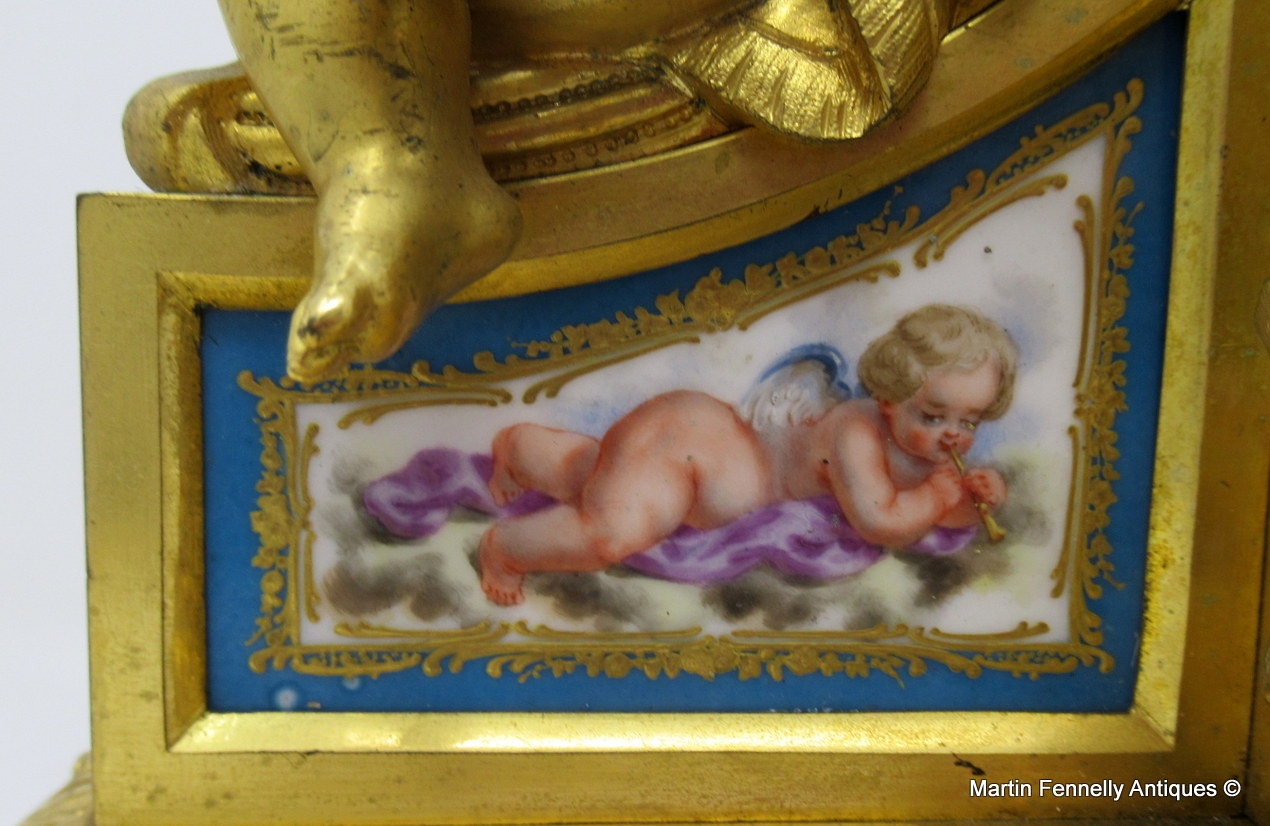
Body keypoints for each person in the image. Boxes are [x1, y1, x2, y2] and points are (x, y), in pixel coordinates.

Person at [477, 304, 1017, 605]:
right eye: (934, 416)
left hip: (691, 447)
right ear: (890, 398)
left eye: (969, 422)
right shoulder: (856, 432)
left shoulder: (922, 447)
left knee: (596, 476)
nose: (952, 436)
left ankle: (522, 449)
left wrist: (973, 502)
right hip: (698, 454)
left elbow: (931, 511)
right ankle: (506, 549)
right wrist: (939, 495)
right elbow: (882, 520)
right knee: (611, 533)